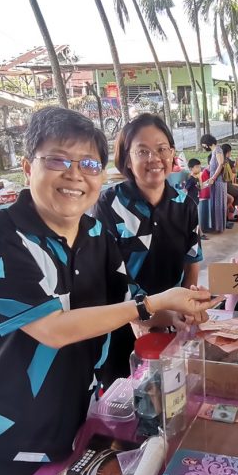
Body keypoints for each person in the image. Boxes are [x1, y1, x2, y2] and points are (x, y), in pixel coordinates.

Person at [0, 107, 213, 475]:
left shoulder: (95, 233)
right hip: (5, 433)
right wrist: (154, 304)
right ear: (28, 166)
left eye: (88, 163)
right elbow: (53, 329)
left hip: (77, 420)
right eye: (58, 159)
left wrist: (174, 312)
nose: (75, 174)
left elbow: (126, 301)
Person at [94, 114, 205, 382]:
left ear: (172, 154)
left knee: (172, 394)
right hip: (122, 326)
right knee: (126, 401)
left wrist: (188, 305)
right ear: (127, 159)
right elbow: (108, 278)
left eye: (161, 149)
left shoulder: (185, 204)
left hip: (172, 326)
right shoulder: (109, 204)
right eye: (142, 151)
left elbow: (192, 260)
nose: (154, 158)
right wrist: (147, 316)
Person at [200, 133, 228, 232]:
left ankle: (219, 227)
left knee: (218, 203)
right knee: (216, 203)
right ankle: (217, 226)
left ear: (206, 143)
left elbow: (220, 165)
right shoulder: (214, 151)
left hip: (218, 181)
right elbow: (213, 166)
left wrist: (213, 177)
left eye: (203, 144)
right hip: (215, 181)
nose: (203, 147)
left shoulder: (218, 150)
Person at [220, 143, 238, 218]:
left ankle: (231, 209)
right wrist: (237, 163)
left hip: (226, 183)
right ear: (228, 152)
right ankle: (231, 212)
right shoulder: (226, 160)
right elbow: (235, 171)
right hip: (226, 184)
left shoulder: (224, 159)